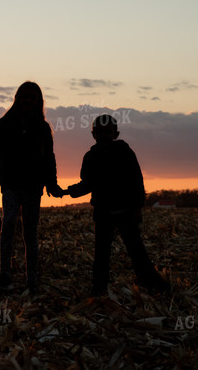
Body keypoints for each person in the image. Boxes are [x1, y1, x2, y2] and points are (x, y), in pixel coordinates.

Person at [0, 81, 62, 294]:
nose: (27, 100)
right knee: (8, 226)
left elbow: (48, 158)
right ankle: (5, 277)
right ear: (17, 99)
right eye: (24, 96)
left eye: (32, 97)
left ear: (38, 102)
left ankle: (31, 281)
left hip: (33, 186)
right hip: (11, 185)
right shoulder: (5, 124)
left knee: (30, 233)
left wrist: (51, 182)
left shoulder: (42, 129)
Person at [66, 114, 170, 296]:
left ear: (116, 133)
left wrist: (138, 207)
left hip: (126, 211)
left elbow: (137, 181)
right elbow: (87, 184)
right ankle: (99, 289)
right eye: (100, 132)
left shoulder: (125, 153)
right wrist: (67, 191)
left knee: (137, 251)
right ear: (93, 134)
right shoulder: (90, 157)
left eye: (108, 132)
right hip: (103, 212)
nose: (103, 135)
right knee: (101, 254)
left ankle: (153, 284)